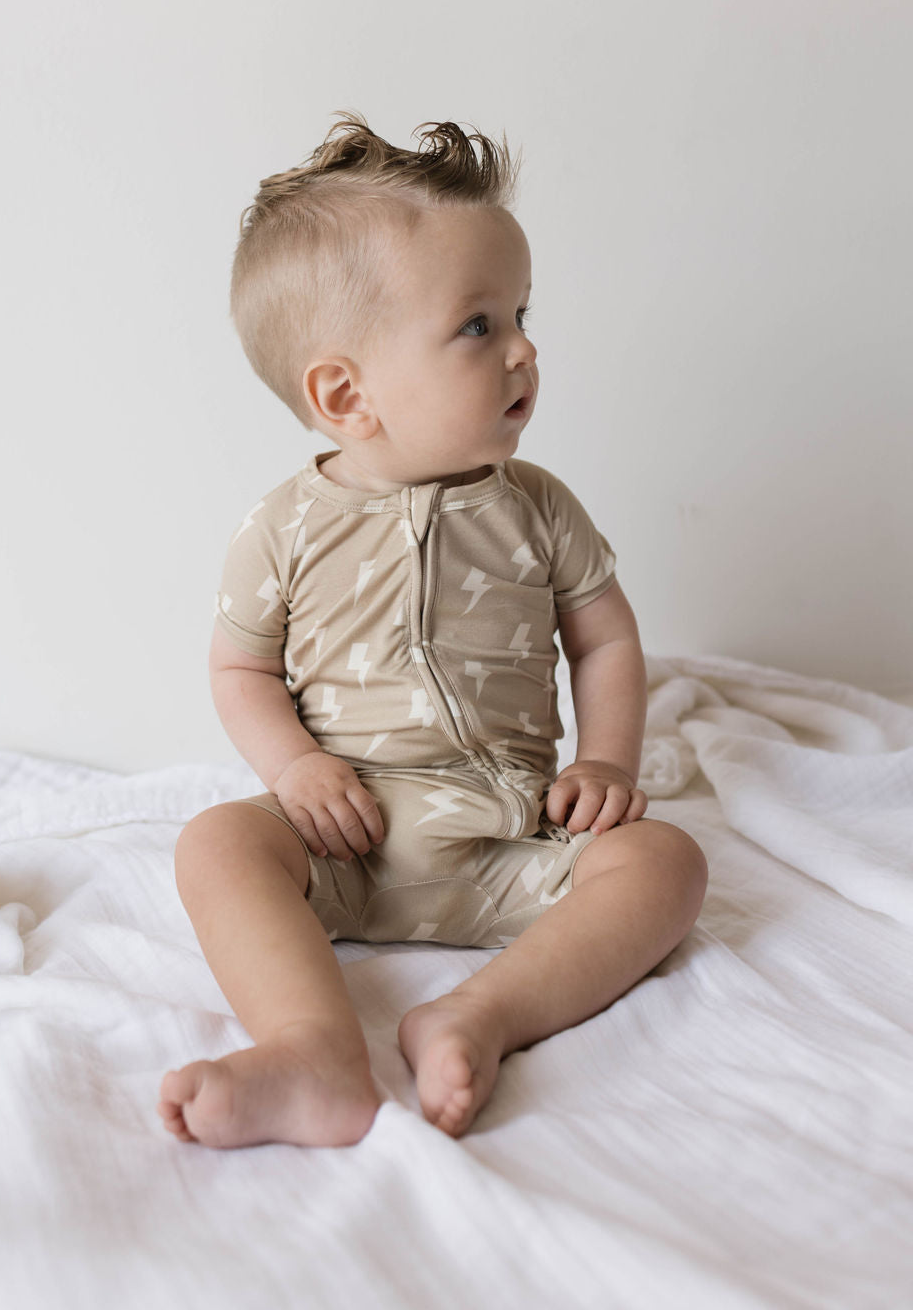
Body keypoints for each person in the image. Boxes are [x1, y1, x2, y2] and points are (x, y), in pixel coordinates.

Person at [157, 112, 708, 1149]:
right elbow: (239, 668)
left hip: (512, 835)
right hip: (347, 836)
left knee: (666, 862)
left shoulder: (537, 506)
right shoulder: (282, 527)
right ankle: (311, 1045)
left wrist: (604, 759)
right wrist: (295, 770)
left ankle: (478, 1014)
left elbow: (604, 639)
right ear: (344, 393)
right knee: (217, 841)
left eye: (520, 314)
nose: (523, 348)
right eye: (478, 325)